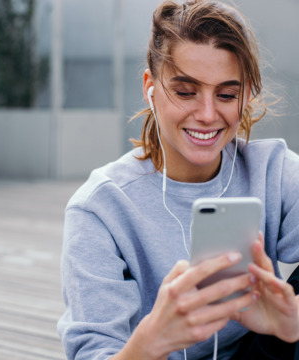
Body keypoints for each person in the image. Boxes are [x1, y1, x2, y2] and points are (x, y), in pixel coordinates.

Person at [57, 1, 299, 359]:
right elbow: (94, 350)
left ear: (245, 95)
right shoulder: (100, 208)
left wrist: (291, 327)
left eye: (226, 95)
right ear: (150, 88)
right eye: (185, 91)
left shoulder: (273, 170)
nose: (206, 114)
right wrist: (151, 340)